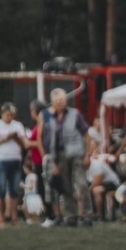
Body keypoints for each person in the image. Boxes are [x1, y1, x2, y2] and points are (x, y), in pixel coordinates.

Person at [40, 88, 91, 227]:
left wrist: (87, 154)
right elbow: (50, 142)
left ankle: (87, 215)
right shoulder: (50, 119)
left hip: (77, 154)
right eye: (57, 101)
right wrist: (53, 162)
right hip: (59, 155)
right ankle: (70, 216)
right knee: (66, 187)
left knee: (81, 184)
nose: (60, 103)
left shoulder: (75, 114)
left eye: (62, 100)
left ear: (66, 100)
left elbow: (86, 134)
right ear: (52, 103)